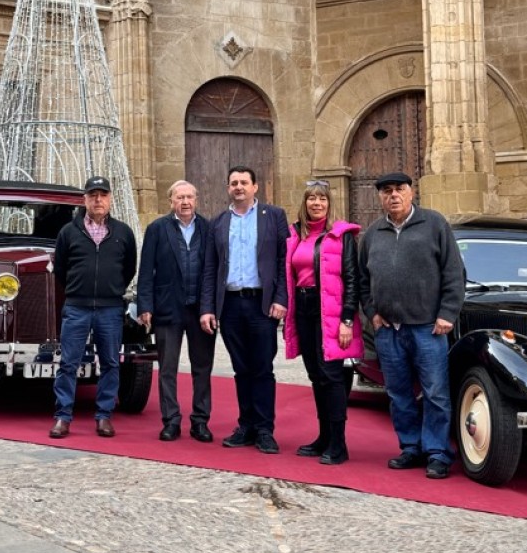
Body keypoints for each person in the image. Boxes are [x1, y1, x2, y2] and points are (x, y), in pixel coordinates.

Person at [358, 172, 465, 479]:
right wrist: (372, 313)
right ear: (380, 197)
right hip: (389, 330)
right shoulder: (373, 233)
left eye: (399, 189)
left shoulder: (434, 225)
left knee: (435, 393)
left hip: (428, 328)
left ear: (411, 192)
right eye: (387, 190)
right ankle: (410, 447)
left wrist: (447, 313)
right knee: (398, 393)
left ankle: (438, 452)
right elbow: (364, 281)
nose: (393, 195)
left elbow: (454, 272)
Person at [200, 166, 289, 454]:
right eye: (233, 183)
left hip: (262, 304)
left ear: (255, 187)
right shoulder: (219, 222)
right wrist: (208, 308)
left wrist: (281, 298)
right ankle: (246, 425)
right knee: (241, 368)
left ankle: (265, 429)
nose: (239, 187)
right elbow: (211, 268)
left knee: (262, 367)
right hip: (230, 304)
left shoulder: (274, 216)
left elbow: (282, 261)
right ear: (228, 188)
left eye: (244, 182)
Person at [49, 176, 137, 439]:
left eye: (103, 195)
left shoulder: (123, 232)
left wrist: (112, 289)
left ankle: (104, 416)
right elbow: (61, 268)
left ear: (110, 199)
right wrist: (79, 289)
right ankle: (63, 417)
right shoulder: (68, 232)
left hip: (110, 308)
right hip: (77, 307)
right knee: (68, 363)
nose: (98, 200)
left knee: (110, 362)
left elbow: (129, 268)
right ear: (84, 199)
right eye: (93, 195)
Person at [283, 179, 362, 465]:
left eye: (322, 199)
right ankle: (324, 437)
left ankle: (339, 444)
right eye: (312, 199)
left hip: (329, 310)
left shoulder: (342, 236)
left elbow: (353, 280)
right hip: (303, 309)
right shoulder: (296, 235)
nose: (317, 204)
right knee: (316, 374)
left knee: (331, 376)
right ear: (304, 203)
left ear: (329, 204)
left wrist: (346, 320)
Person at [136, 180, 216, 443]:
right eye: (179, 197)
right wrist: (145, 305)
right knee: (167, 368)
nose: (185, 202)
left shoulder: (208, 228)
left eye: (189, 197)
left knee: (202, 368)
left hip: (200, 311)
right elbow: (146, 270)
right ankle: (171, 420)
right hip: (167, 309)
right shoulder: (157, 229)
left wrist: (210, 307)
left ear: (196, 200)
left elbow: (211, 271)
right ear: (170, 201)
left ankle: (200, 421)